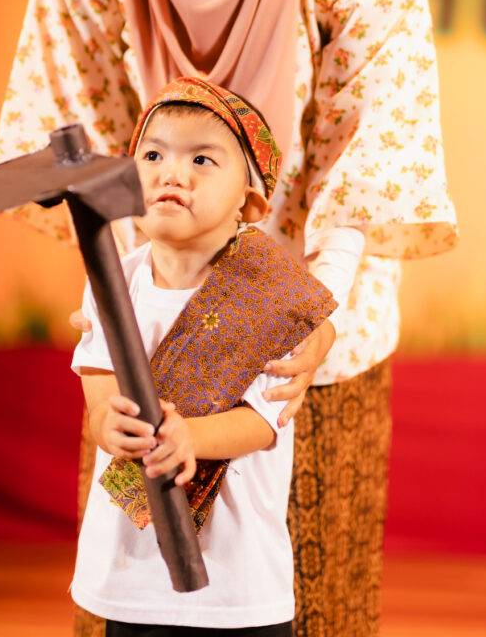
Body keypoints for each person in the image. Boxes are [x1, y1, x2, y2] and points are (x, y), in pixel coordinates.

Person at [0, 0, 458, 637]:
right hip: (151, 341)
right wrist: (133, 316)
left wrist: (311, 313)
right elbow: (69, 146)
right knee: (131, 602)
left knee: (306, 605)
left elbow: (372, 148)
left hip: (304, 349)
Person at [71, 77, 336, 635]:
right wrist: (106, 425)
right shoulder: (112, 282)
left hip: (236, 580)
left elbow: (264, 421)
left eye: (201, 159)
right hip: (130, 574)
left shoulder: (273, 293)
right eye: (153, 155)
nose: (172, 173)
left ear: (250, 200)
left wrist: (189, 437)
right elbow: (98, 391)